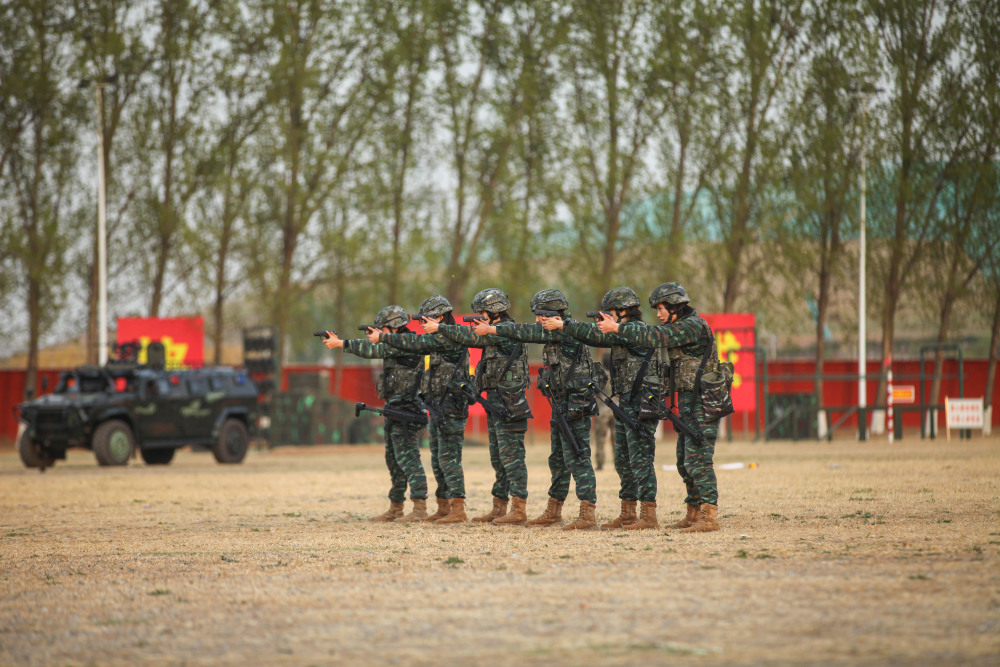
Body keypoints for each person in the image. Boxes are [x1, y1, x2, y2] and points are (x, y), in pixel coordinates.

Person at [597, 282, 721, 533]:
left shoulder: (692, 326)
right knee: (684, 461)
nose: (659, 314)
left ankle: (709, 517)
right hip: (689, 402)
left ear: (675, 306)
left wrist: (617, 328)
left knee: (698, 461)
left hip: (703, 402)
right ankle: (694, 512)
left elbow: (656, 337)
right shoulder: (679, 326)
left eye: (662, 308)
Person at [542, 287, 663, 530]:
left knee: (641, 461)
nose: (607, 317)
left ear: (622, 311)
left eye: (611, 313)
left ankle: (648, 516)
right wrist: (565, 325)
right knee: (623, 460)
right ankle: (628, 513)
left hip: (642, 404)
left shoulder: (636, 329)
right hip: (626, 403)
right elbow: (592, 335)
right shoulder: (619, 332)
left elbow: (637, 333)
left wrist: (613, 327)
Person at [487, 289, 603, 530]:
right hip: (560, 403)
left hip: (576, 405)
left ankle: (587, 512)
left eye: (541, 315)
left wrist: (493, 329)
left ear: (554, 314)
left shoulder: (568, 330)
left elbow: (526, 332)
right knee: (558, 459)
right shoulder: (556, 331)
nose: (538, 320)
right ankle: (554, 509)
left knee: (578, 456)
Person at [424, 288, 531, 526]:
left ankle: (519, 509)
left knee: (512, 458)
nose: (480, 316)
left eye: (482, 311)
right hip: (495, 401)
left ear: (493, 311)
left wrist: (441, 328)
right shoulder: (493, 331)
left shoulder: (506, 331)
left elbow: (471, 338)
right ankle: (499, 507)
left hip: (509, 403)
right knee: (498, 458)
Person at [321, 306, 429, 522]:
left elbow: (373, 350)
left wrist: (341, 344)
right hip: (394, 408)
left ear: (395, 328)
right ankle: (396, 508)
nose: (381, 333)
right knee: (393, 460)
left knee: (409, 459)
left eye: (384, 329)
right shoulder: (395, 341)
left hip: (407, 410)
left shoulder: (406, 343)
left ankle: (419, 509)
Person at [375, 295, 471, 524]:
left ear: (439, 317)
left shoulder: (449, 339)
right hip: (438, 406)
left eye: (426, 320)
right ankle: (444, 506)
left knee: (449, 460)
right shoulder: (440, 337)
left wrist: (376, 339)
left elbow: (415, 343)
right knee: (438, 459)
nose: (421, 325)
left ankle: (457, 509)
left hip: (451, 408)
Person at [591, 353, 614, 471]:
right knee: (617, 439)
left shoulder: (600, 376)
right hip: (616, 409)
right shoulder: (616, 376)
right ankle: (619, 462)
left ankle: (600, 463)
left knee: (600, 438)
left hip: (602, 409)